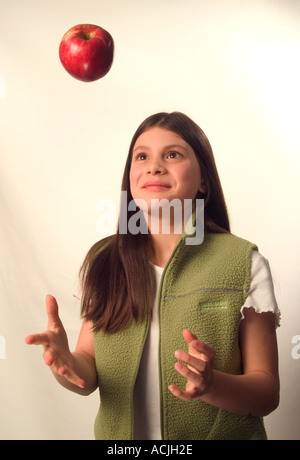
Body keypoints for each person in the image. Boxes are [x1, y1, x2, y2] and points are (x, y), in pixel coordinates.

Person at [26, 112, 280, 440]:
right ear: (130, 177)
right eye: (142, 156)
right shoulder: (105, 261)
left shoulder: (245, 262)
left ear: (204, 180)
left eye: (173, 154)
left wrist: (212, 385)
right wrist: (66, 364)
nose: (154, 166)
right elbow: (87, 372)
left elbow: (267, 393)